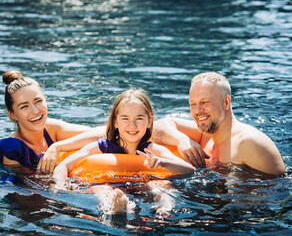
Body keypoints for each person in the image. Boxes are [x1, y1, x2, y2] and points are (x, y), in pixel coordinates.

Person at [53, 89, 195, 214]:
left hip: (144, 186)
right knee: (101, 188)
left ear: (149, 121)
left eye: (139, 118)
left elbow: (189, 170)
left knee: (163, 186)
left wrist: (162, 163)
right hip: (110, 185)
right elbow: (63, 165)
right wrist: (60, 188)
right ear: (115, 121)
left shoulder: (152, 149)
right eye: (125, 118)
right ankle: (114, 205)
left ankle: (165, 207)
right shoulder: (102, 147)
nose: (132, 125)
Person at [153, 72, 285, 176]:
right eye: (193, 104)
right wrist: (181, 140)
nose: (198, 110)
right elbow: (157, 127)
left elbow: (278, 196)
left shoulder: (249, 143)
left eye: (205, 102)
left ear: (226, 102)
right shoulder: (206, 134)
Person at [0, 70, 99, 173]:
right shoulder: (13, 150)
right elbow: (27, 188)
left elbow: (105, 133)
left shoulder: (52, 129)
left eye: (38, 101)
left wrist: (57, 147)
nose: (35, 111)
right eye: (24, 107)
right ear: (12, 114)